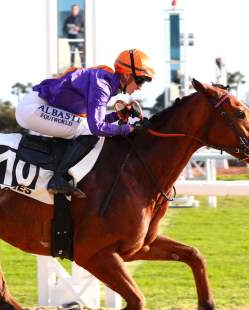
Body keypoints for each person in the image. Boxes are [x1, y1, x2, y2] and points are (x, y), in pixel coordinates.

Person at [15, 49, 155, 198]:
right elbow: (96, 128)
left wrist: (117, 116)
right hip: (33, 109)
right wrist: (129, 129)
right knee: (88, 133)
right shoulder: (102, 85)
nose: (140, 87)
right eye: (140, 80)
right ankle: (57, 179)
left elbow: (91, 122)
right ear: (127, 75)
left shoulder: (105, 82)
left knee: (84, 129)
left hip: (38, 105)